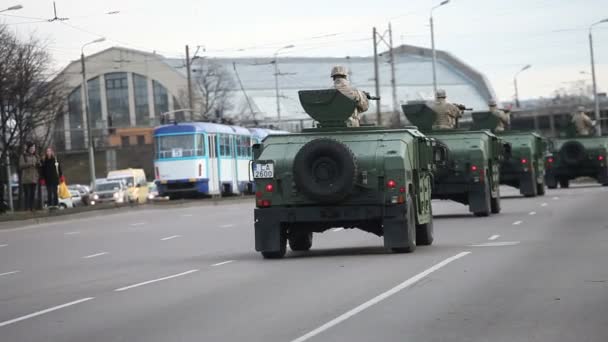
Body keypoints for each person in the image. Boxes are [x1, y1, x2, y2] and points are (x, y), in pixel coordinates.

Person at [19, 142, 40, 211]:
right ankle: (27, 208)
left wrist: (38, 164)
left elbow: (39, 164)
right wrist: (30, 164)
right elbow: (21, 165)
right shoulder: (23, 156)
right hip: (26, 178)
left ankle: (32, 207)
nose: (33, 149)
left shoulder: (36, 156)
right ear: (28, 148)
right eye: (31, 148)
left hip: (34, 177)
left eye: (34, 148)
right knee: (27, 194)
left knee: (33, 194)